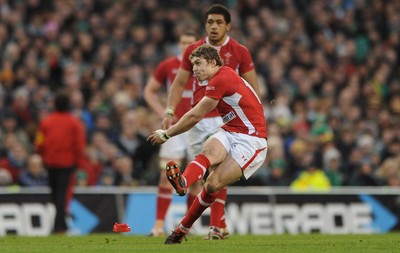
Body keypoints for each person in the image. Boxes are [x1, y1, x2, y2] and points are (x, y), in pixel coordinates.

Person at [148, 44, 268, 244]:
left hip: (251, 140)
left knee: (212, 184)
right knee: (208, 151)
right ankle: (183, 183)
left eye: (198, 63)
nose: (193, 68)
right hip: (231, 130)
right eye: (192, 64)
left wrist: (167, 134)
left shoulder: (220, 79)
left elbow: (195, 115)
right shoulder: (221, 76)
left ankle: (182, 228)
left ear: (212, 62)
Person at [162, 4, 260, 240]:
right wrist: (170, 109)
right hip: (200, 116)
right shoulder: (194, 50)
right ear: (205, 25)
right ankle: (216, 223)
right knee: (205, 174)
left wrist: (256, 113)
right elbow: (179, 82)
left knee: (217, 170)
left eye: (218, 22)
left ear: (228, 25)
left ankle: (216, 225)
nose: (214, 26)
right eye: (209, 22)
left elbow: (251, 86)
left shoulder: (240, 51)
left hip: (226, 118)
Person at [143, 31, 201, 236]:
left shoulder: (205, 65)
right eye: (183, 42)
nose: (186, 46)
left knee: (197, 179)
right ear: (178, 44)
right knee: (165, 175)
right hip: (174, 129)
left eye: (190, 43)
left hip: (197, 127)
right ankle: (158, 226)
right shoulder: (168, 66)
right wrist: (163, 112)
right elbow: (149, 91)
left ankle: (187, 227)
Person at [35, 90, 86, 233]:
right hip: (67, 164)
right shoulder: (74, 123)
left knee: (55, 194)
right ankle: (61, 225)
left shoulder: (46, 122)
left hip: (50, 164)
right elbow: (79, 144)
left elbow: (39, 143)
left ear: (55, 105)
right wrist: (78, 162)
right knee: (62, 194)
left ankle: (58, 226)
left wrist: (43, 156)